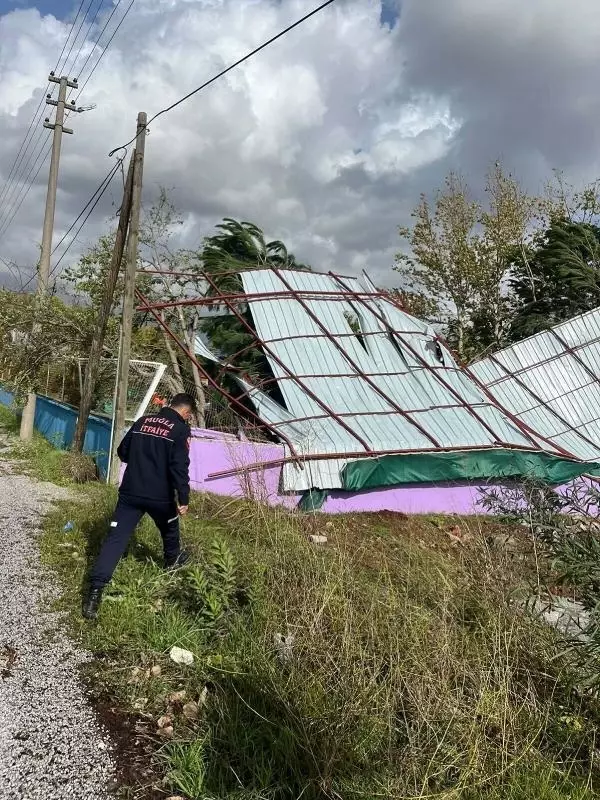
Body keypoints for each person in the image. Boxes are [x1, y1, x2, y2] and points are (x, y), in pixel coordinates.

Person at [82, 393, 196, 620]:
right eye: (189, 416)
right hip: (160, 497)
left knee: (115, 539)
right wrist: (183, 499)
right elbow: (179, 468)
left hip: (130, 492)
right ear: (186, 412)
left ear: (169, 405)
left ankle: (94, 593)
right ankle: (172, 562)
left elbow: (122, 452)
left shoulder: (143, 421)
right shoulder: (180, 430)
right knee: (170, 528)